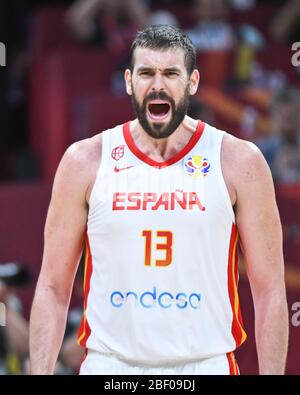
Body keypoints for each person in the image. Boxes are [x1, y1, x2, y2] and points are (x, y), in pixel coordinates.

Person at [29, 25, 288, 375]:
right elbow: (51, 287)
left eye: (170, 73)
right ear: (128, 81)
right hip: (111, 367)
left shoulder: (240, 162)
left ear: (193, 82)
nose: (157, 85)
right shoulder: (84, 161)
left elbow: (270, 290)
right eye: (146, 73)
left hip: (203, 366)